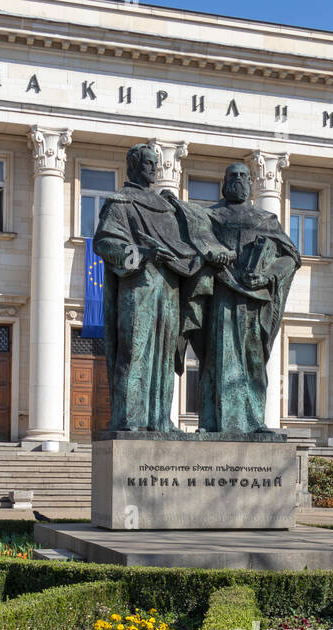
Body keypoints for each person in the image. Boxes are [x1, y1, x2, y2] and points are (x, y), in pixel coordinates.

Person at [93, 143, 232, 433]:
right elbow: (105, 243)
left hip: (169, 287)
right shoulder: (120, 203)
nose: (154, 168)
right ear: (133, 166)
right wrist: (142, 253)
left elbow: (188, 242)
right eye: (147, 163)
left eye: (155, 163)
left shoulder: (168, 206)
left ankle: (159, 420)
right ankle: (130, 419)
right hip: (138, 287)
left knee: (164, 357)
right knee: (135, 351)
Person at [178, 161, 301, 434]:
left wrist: (268, 275)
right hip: (221, 295)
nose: (240, 181)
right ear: (224, 182)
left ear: (251, 183)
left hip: (255, 300)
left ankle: (255, 421)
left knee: (254, 360)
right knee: (217, 359)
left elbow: (290, 256)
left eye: (245, 176)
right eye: (233, 176)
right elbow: (194, 246)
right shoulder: (209, 216)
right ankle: (211, 423)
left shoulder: (265, 220)